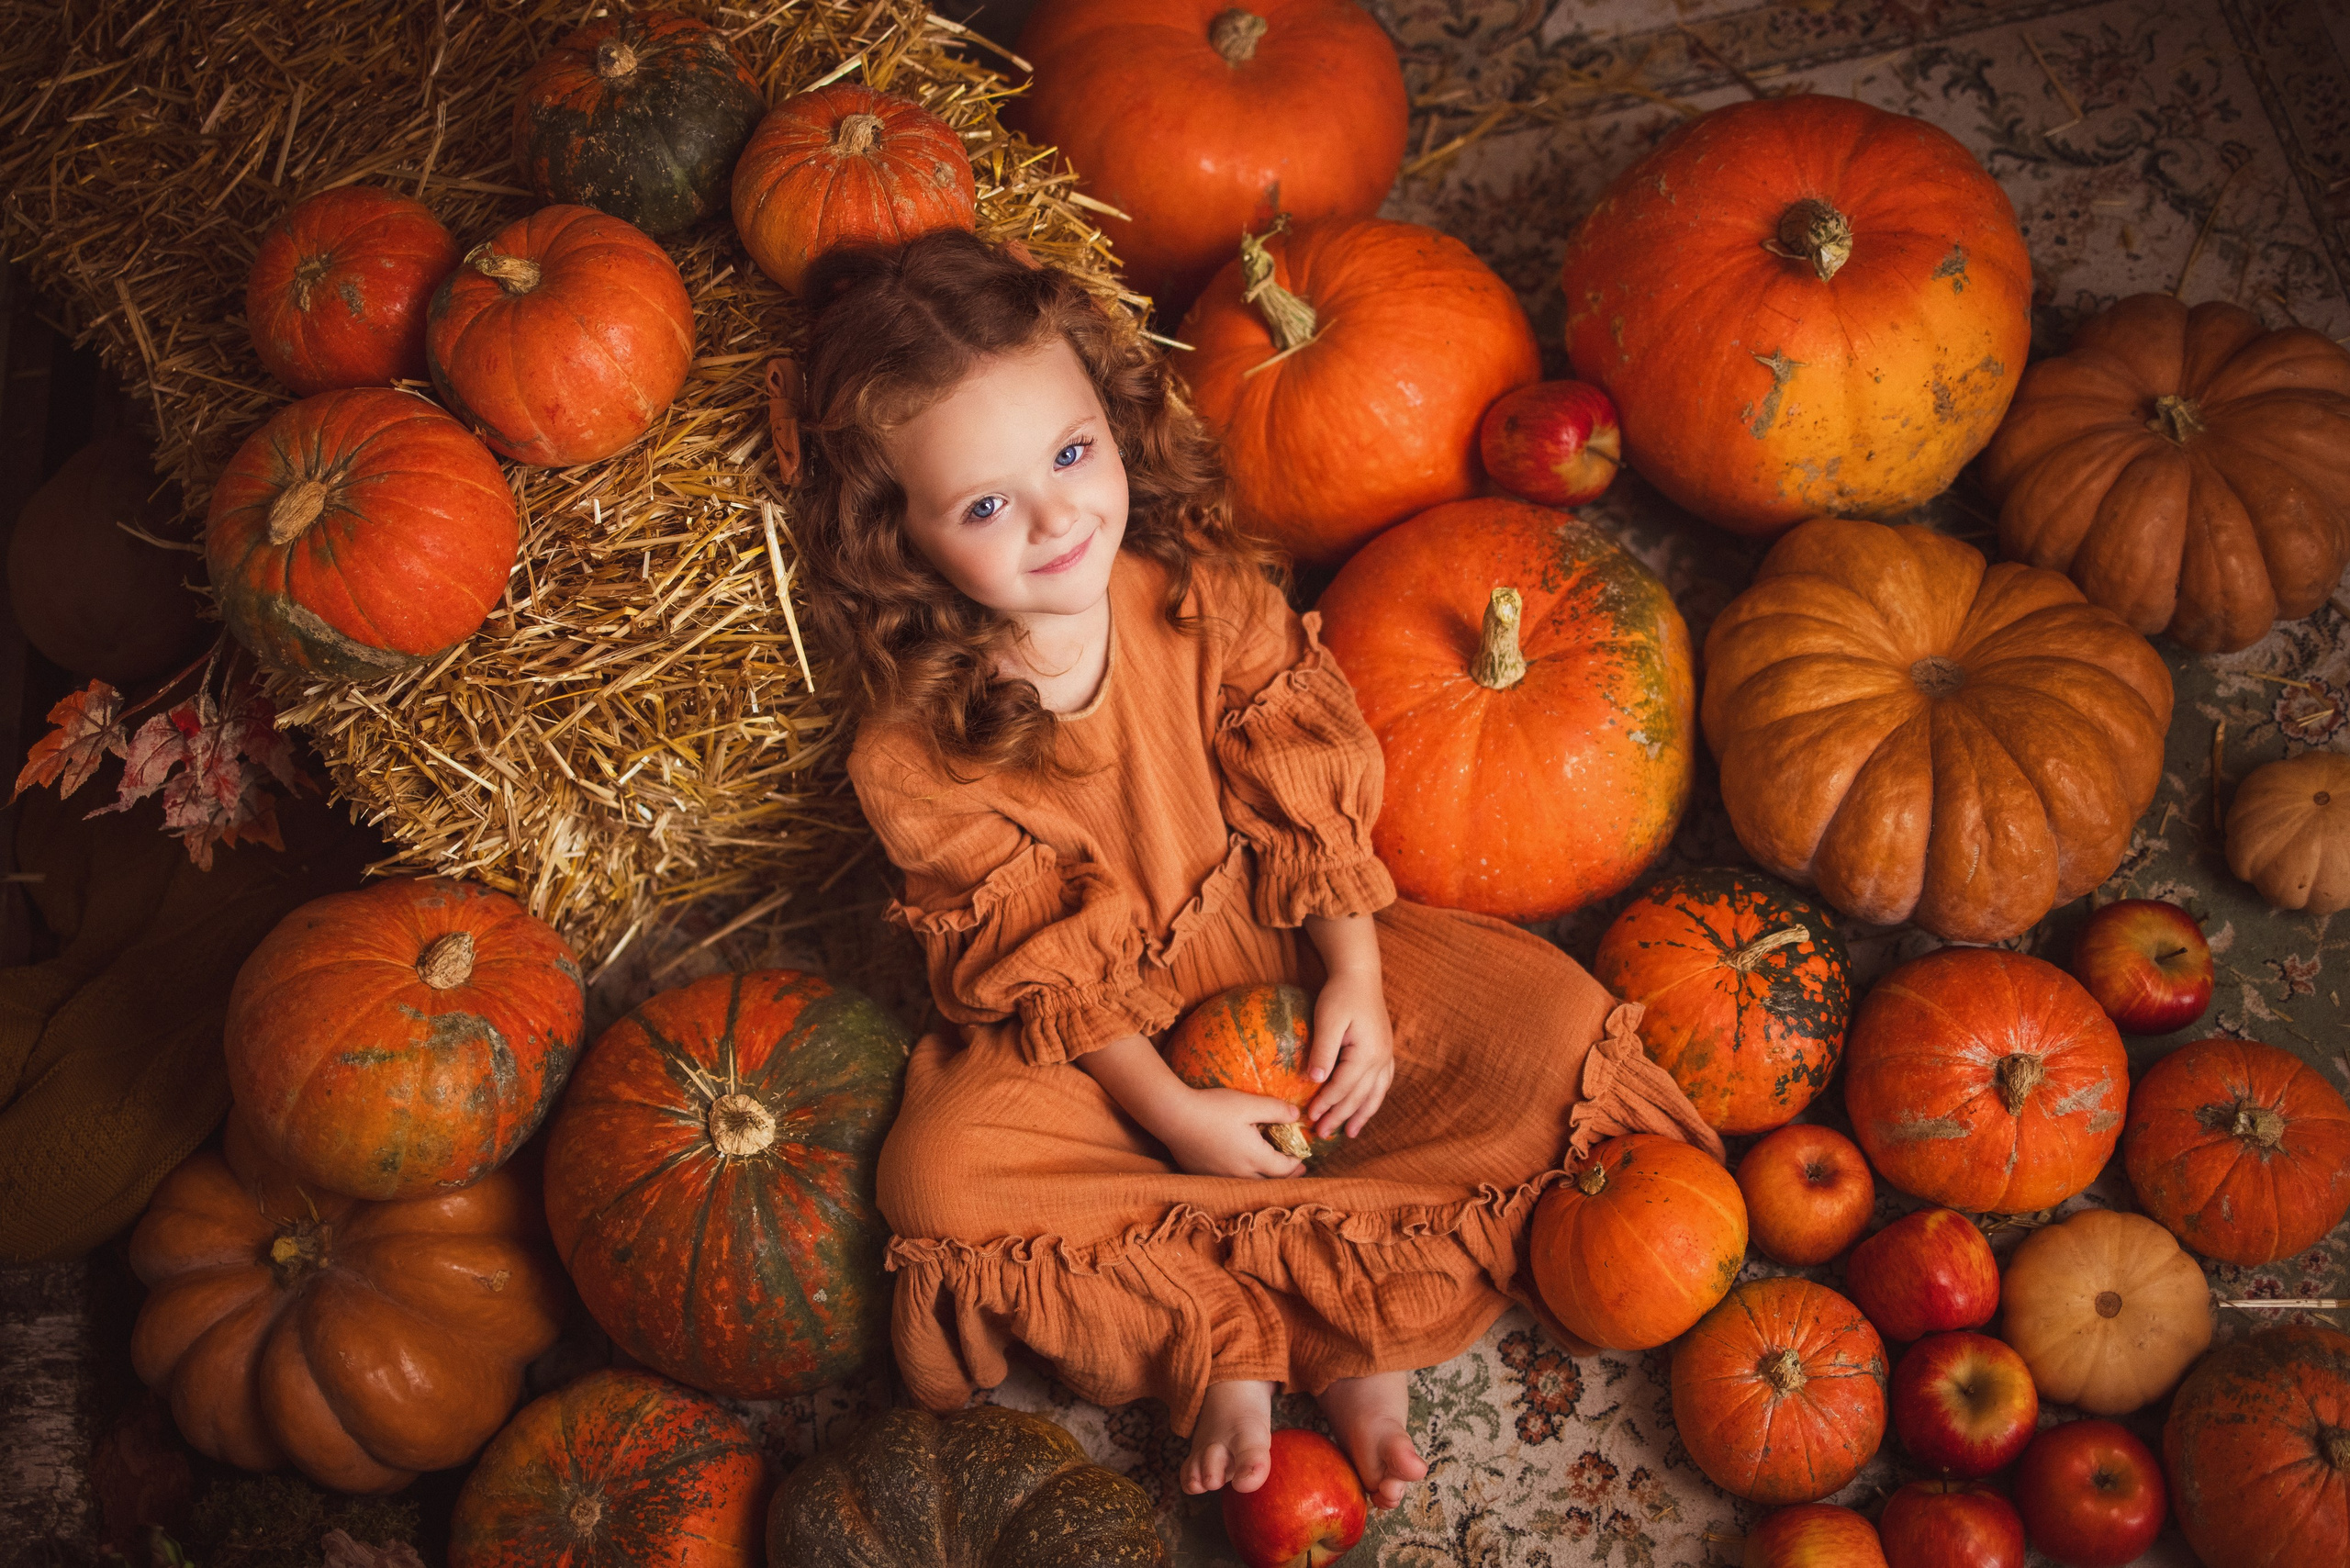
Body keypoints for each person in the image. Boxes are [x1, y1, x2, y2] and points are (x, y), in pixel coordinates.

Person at [791, 230, 1721, 1507]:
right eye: (988, 505)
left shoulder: (1202, 594)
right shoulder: (911, 746)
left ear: (1116, 420)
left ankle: (1343, 1334)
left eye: (1072, 455)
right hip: (1093, 1044)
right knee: (939, 1178)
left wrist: (1351, 978)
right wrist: (1170, 1113)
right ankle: (1220, 1333)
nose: (1058, 516)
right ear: (898, 537)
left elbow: (1308, 807)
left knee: (1548, 1029)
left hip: (1279, 934)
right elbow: (1037, 968)